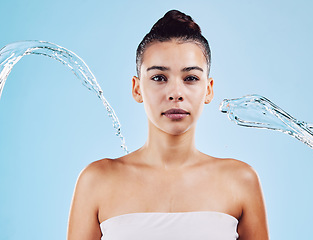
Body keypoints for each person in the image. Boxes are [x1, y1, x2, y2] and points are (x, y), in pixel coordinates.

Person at [67, 10, 269, 240]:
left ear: (209, 89)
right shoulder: (97, 181)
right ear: (137, 88)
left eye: (190, 78)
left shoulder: (240, 181)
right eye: (159, 78)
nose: (175, 93)